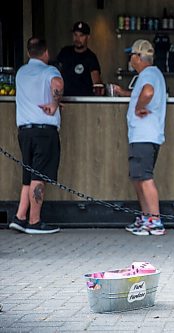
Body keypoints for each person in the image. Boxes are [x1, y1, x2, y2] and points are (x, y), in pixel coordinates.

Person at [8, 37, 64, 234]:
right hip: (44, 132)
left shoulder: (21, 72)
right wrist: (55, 104)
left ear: (29, 52)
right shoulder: (50, 71)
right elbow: (57, 83)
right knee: (39, 176)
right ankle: (35, 221)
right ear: (46, 52)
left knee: (28, 175)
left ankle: (20, 216)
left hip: (25, 132)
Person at [113, 39, 167, 236]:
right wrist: (124, 93)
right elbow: (143, 92)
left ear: (138, 57)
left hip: (145, 135)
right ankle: (146, 218)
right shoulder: (151, 74)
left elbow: (148, 92)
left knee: (145, 178)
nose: (129, 59)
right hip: (144, 135)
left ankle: (155, 221)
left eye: (131, 55)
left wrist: (138, 107)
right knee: (138, 177)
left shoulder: (148, 74)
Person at [56, 21, 103, 96]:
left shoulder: (91, 57)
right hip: (64, 99)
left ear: (88, 37)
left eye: (81, 35)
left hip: (83, 101)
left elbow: (96, 83)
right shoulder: (65, 52)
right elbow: (55, 73)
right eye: (75, 35)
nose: (77, 39)